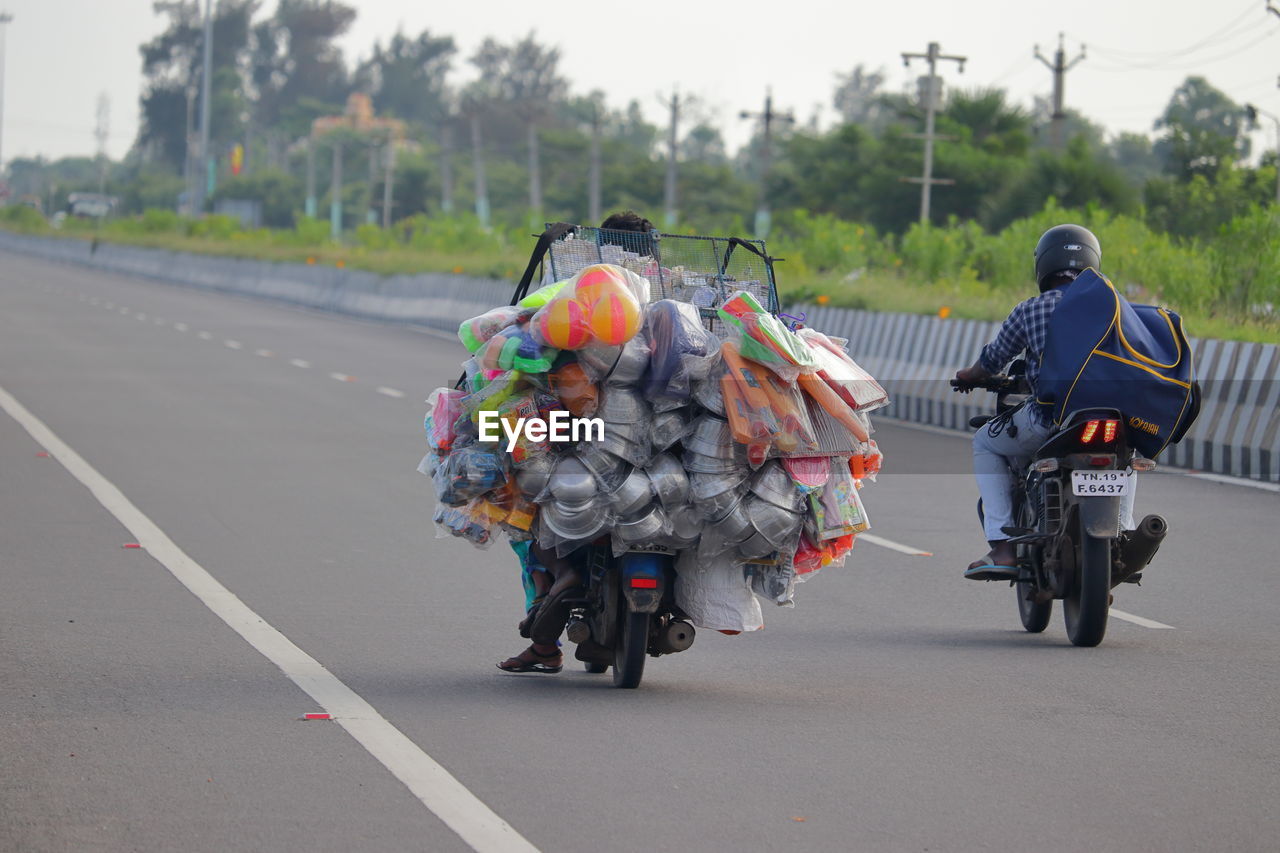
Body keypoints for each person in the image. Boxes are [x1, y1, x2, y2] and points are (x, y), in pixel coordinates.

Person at [497, 211, 658, 673]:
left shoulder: (582, 286)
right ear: (652, 248)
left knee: (528, 511)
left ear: (601, 244)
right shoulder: (674, 291)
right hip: (656, 433)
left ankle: (546, 628)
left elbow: (533, 346)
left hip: (583, 427)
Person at [954, 223, 1135, 581]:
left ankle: (1003, 547)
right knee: (1124, 457)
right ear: (1092, 262)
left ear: (1044, 265)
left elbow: (993, 361)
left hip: (1052, 420)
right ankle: (1124, 533)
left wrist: (969, 376)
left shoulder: (1032, 309)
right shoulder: (1119, 307)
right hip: (1113, 418)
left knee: (985, 441)